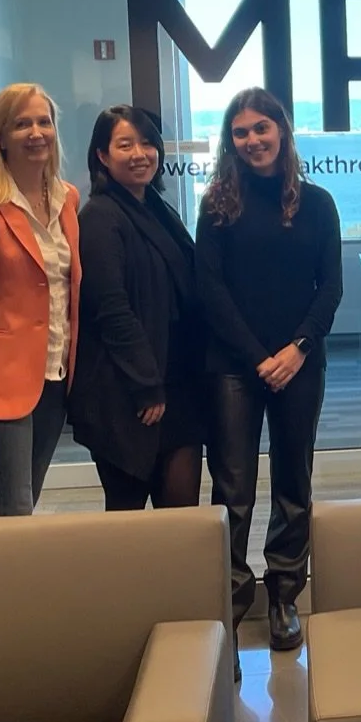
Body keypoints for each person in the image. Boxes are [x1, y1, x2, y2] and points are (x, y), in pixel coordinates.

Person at [195, 88, 341, 654]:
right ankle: (230, 606)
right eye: (241, 131)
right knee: (233, 490)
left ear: (282, 130)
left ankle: (283, 597)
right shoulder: (217, 205)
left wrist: (298, 348)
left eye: (261, 128)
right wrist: (259, 356)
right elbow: (210, 290)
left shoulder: (317, 203)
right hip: (234, 366)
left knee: (293, 485)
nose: (252, 139)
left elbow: (330, 288)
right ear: (230, 141)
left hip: (300, 363)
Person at [70, 105, 207, 512]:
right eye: (125, 145)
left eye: (147, 143)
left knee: (182, 517)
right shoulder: (99, 217)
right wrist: (146, 385)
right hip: (129, 392)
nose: (139, 154)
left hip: (178, 382)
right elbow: (111, 309)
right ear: (102, 155)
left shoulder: (159, 209)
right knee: (128, 520)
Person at [0, 84, 81, 517]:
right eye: (22, 124)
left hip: (53, 372)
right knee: (13, 504)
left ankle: (9, 564)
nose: (36, 133)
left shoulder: (67, 199)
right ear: (0, 137)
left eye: (44, 122)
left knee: (24, 502)